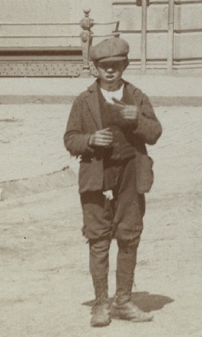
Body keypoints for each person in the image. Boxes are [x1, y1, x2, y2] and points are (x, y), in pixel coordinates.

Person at [63, 31, 162, 327]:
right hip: (97, 175)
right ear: (95, 67)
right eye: (104, 65)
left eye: (116, 65)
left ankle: (124, 302)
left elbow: (155, 133)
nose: (110, 70)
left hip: (131, 173)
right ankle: (101, 304)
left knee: (129, 236)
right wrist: (91, 139)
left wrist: (138, 121)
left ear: (125, 66)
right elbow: (70, 139)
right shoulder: (84, 101)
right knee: (98, 239)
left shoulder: (136, 97)